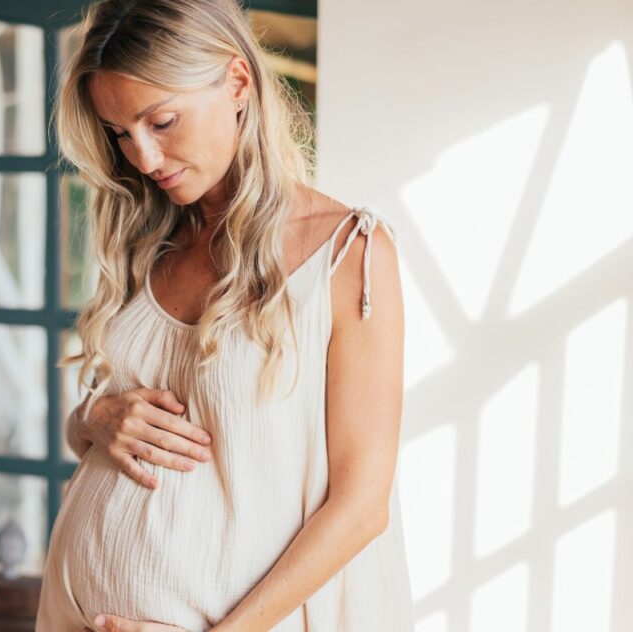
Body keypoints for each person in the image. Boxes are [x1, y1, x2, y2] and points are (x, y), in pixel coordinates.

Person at [37, 0, 414, 630]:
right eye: (119, 132)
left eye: (162, 121)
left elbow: (361, 507)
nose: (143, 158)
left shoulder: (349, 255)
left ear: (237, 82)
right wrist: (94, 418)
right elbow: (100, 434)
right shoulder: (148, 238)